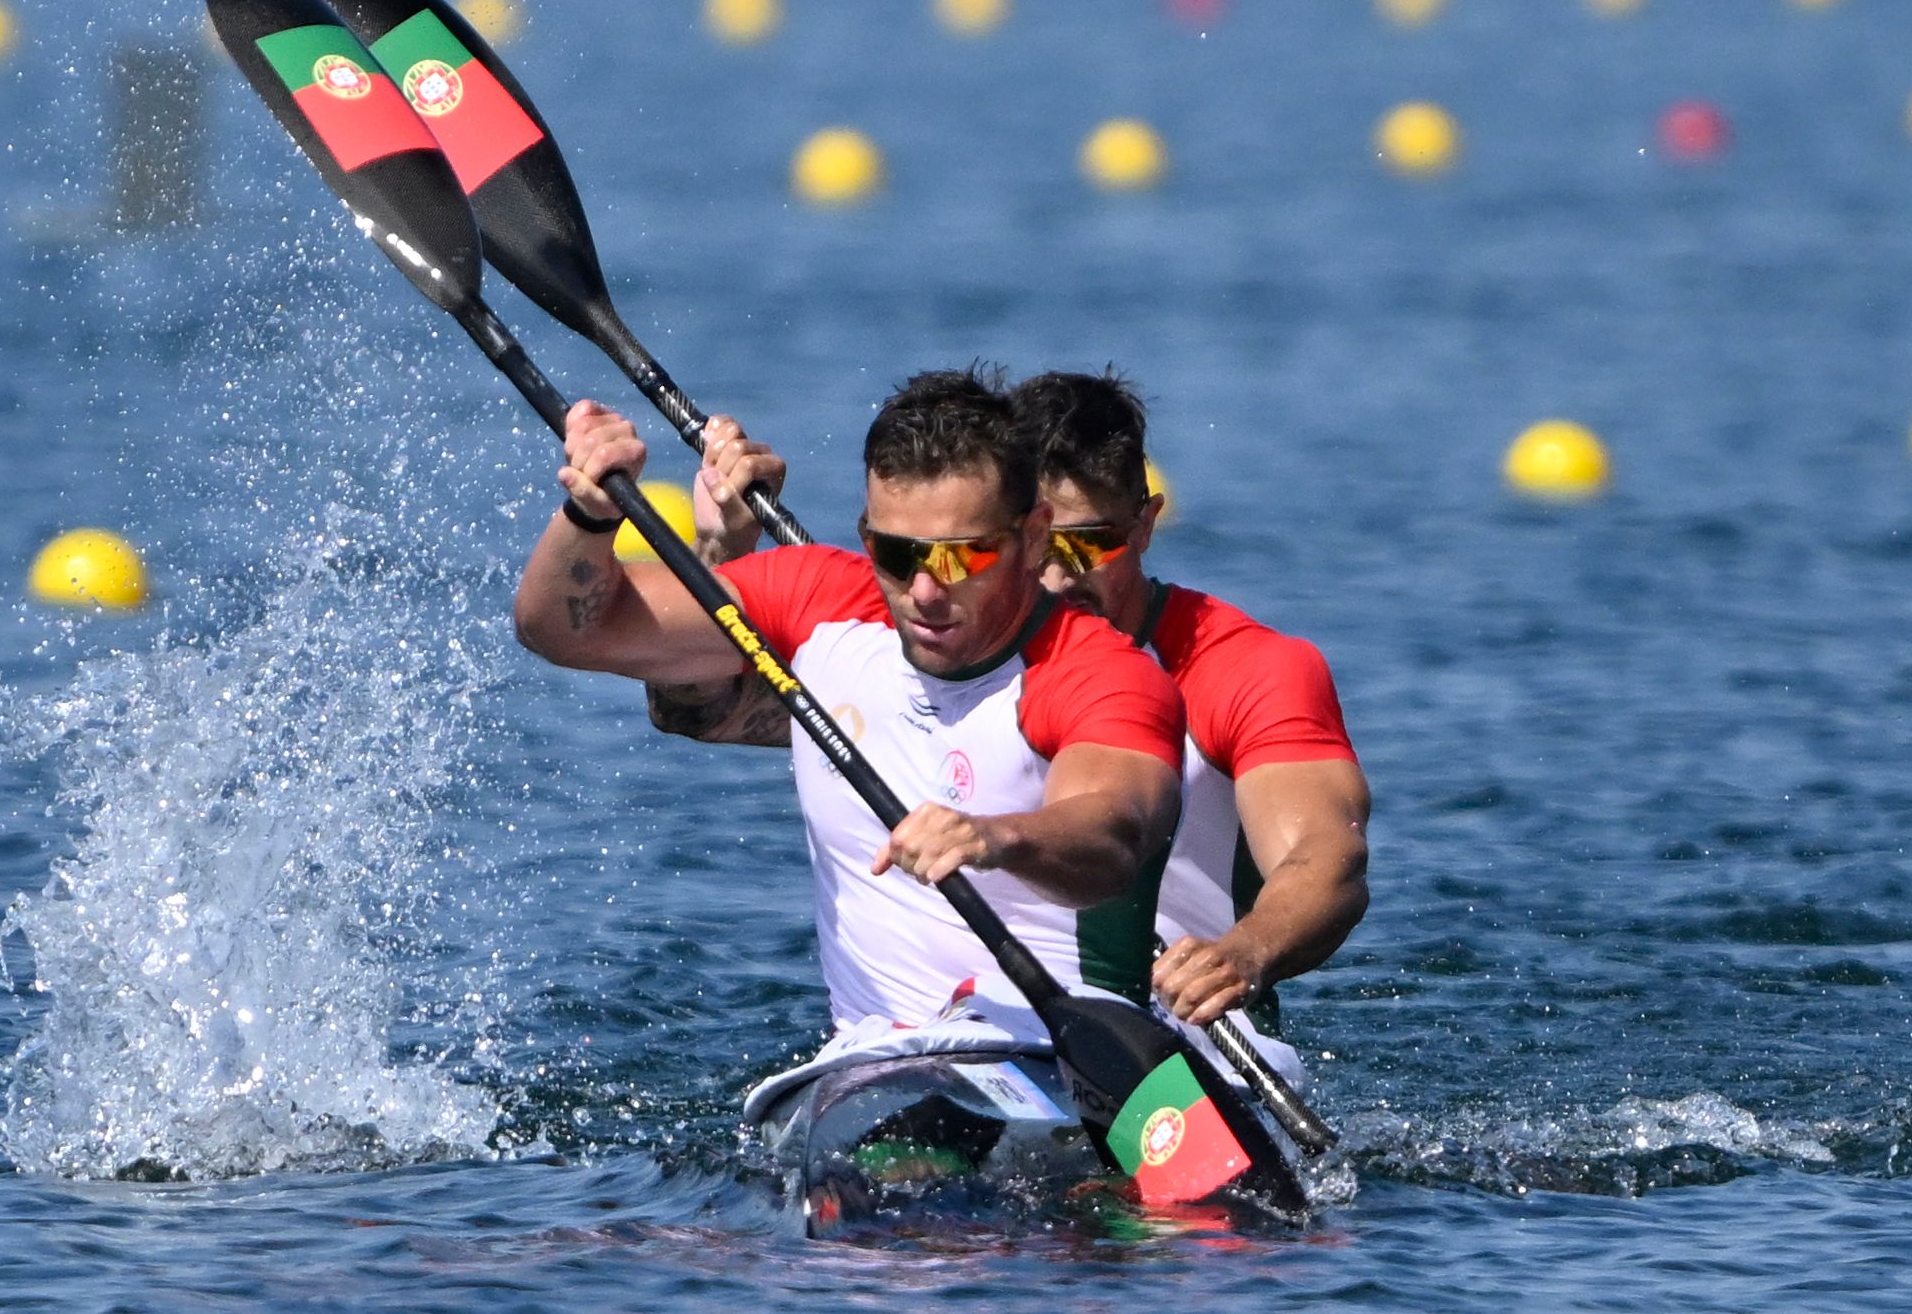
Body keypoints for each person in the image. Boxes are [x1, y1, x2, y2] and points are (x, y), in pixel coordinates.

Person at [649, 372, 1370, 1039]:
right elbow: (694, 709)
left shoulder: (1243, 669)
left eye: (1086, 544)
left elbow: (1326, 862)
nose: (1052, 574)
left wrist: (1241, 954)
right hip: (972, 1040)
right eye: (1029, 548)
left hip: (1182, 1049)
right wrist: (722, 551)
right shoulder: (934, 658)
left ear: (1145, 525)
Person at [513, 369, 1187, 1035]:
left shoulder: (1100, 672)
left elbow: (1109, 835)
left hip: (1072, 1056)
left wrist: (992, 835)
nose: (924, 591)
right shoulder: (819, 601)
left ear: (1034, 536)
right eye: (898, 554)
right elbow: (566, 628)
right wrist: (590, 513)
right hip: (882, 1069)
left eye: (962, 558)